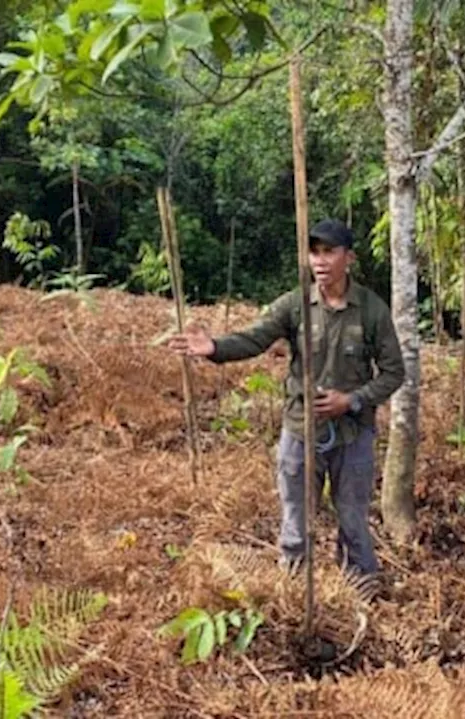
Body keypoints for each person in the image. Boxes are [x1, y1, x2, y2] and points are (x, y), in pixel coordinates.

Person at [168, 219, 404, 596]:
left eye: (330, 252)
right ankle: (293, 594)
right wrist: (214, 348)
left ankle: (361, 596)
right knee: (296, 521)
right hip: (300, 430)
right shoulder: (296, 305)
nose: (321, 261)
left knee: (353, 520)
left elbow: (394, 372)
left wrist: (352, 400)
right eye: (315, 252)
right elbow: (254, 337)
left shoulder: (372, 310)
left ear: (349, 258)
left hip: (353, 434)